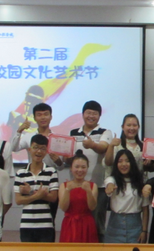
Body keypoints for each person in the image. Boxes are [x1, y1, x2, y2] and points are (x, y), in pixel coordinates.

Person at [68, 100, 112, 241]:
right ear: (83, 114)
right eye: (88, 113)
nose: (91, 116)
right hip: (77, 186)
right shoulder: (73, 133)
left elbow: (103, 147)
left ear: (99, 116)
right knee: (77, 222)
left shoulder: (105, 132)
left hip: (98, 186)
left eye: (95, 113)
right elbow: (69, 157)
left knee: (97, 225)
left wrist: (92, 144)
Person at [12, 102, 63, 222]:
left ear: (51, 117)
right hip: (31, 181)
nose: (43, 117)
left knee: (50, 218)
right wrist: (19, 131)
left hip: (50, 181)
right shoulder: (28, 137)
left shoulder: (57, 139)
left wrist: (58, 162)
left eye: (46, 114)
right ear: (34, 118)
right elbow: (14, 148)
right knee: (31, 215)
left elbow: (61, 167)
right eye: (39, 115)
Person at [14, 134, 59, 243]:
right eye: (36, 147)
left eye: (42, 148)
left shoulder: (51, 172)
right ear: (29, 149)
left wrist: (30, 192)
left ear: (46, 151)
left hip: (46, 225)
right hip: (26, 225)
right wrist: (38, 195)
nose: (38, 151)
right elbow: (18, 200)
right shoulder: (21, 173)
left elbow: (53, 198)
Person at [104, 149, 149, 244]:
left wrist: (144, 231)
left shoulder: (140, 182)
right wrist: (109, 187)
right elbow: (109, 183)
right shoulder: (112, 179)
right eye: (120, 161)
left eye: (127, 161)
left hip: (135, 227)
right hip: (115, 227)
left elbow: (145, 209)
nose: (123, 164)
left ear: (132, 163)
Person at [59, 150, 99, 243]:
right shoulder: (64, 186)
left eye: (83, 167)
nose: (80, 170)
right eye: (77, 167)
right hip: (69, 224)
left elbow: (92, 207)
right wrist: (67, 190)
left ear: (87, 168)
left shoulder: (92, 186)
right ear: (71, 168)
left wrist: (88, 191)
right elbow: (63, 208)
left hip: (87, 224)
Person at [104, 113, 144, 179]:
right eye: (129, 125)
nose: (132, 128)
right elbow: (108, 163)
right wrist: (111, 146)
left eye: (134, 125)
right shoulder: (116, 144)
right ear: (122, 127)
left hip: (138, 182)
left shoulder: (144, 145)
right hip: (118, 182)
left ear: (138, 127)